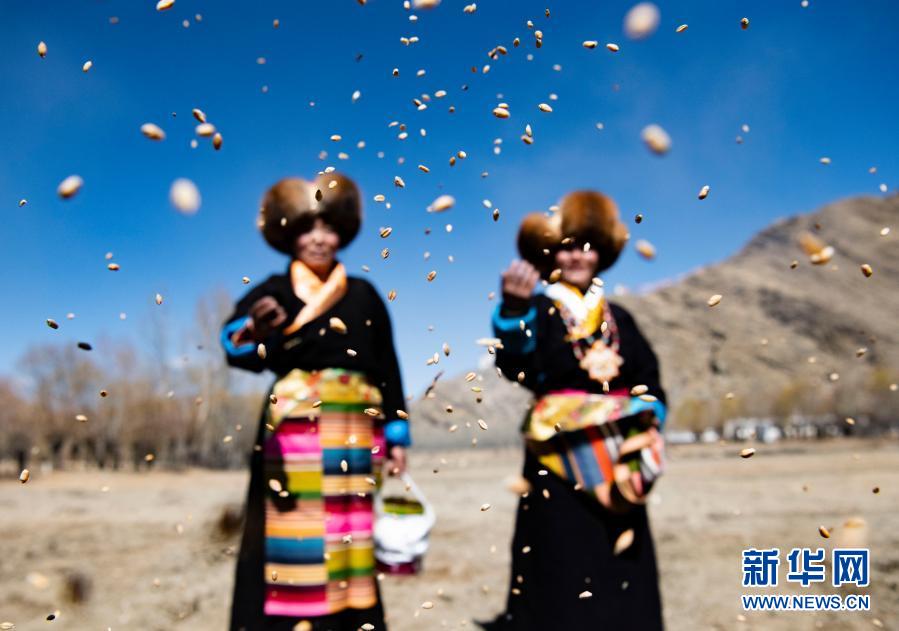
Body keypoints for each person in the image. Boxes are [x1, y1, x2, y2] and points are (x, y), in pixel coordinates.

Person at [221, 173, 411, 631]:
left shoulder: (363, 294)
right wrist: (255, 331)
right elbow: (233, 343)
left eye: (328, 228)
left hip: (356, 432)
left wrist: (397, 432)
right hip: (294, 434)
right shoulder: (272, 289)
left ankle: (351, 619)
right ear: (290, 235)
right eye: (307, 228)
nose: (319, 239)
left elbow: (387, 364)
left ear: (341, 233)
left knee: (351, 530)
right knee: (293, 528)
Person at [481, 190, 667, 630]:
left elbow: (649, 378)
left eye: (586, 245)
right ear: (550, 255)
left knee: (619, 553)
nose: (577, 255)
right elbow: (516, 365)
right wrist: (514, 310)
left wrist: (645, 423)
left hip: (615, 458)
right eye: (566, 247)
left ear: (600, 253)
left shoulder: (619, 317)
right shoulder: (538, 309)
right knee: (556, 553)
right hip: (556, 458)